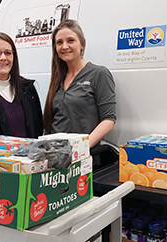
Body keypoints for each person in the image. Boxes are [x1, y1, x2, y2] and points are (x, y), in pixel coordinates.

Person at [43, 19, 116, 168]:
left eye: (70, 40)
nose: (64, 46)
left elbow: (109, 120)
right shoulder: (58, 78)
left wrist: (79, 149)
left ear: (81, 44)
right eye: (59, 42)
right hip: (55, 157)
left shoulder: (98, 74)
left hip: (82, 158)